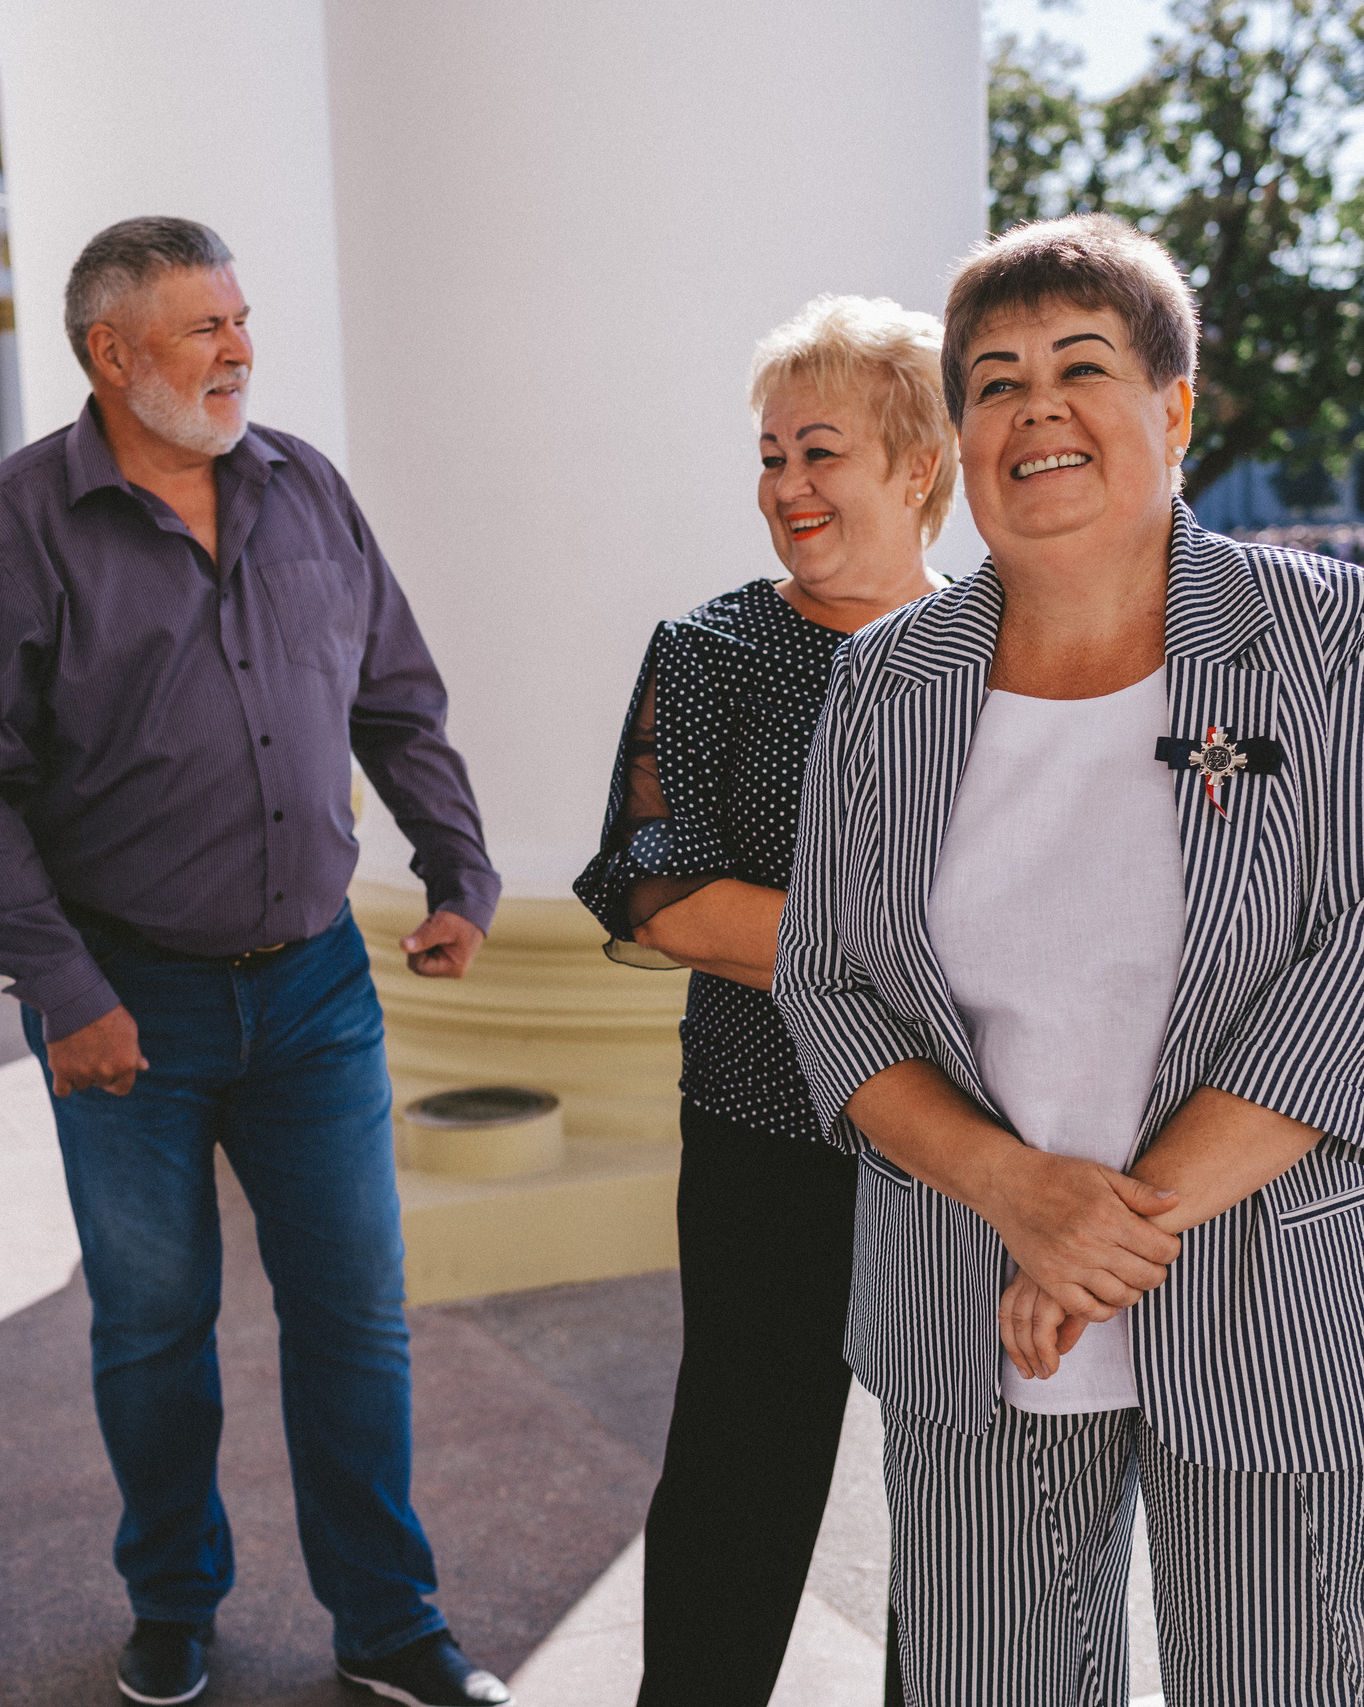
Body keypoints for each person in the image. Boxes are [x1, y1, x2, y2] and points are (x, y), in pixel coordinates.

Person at [771, 214, 1364, 1706]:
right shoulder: (886, 679)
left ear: (1173, 407)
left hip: (1280, 1288)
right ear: (960, 436)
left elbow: (1356, 968)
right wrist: (1019, 1194)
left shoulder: (1319, 634)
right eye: (995, 380)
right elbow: (826, 983)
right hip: (975, 1297)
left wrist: (1101, 1243)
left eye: (1082, 365)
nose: (1038, 408)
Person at [0, 217, 510, 1707]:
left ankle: (387, 1620)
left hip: (317, 986)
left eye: (241, 319)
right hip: (131, 997)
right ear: (111, 353)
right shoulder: (10, 531)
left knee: (357, 1315)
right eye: (202, 328)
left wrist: (458, 862)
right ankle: (173, 1599)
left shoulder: (308, 488)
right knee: (155, 1322)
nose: (239, 348)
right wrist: (67, 988)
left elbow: (397, 698)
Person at [573, 295, 950, 1705]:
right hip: (762, 1126)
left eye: (821, 452)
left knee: (969, 1500)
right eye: (771, 453)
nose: (787, 485)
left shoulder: (1010, 650)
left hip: (975, 1154)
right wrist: (922, 949)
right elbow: (667, 897)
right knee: (741, 1474)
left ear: (918, 463)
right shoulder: (711, 648)